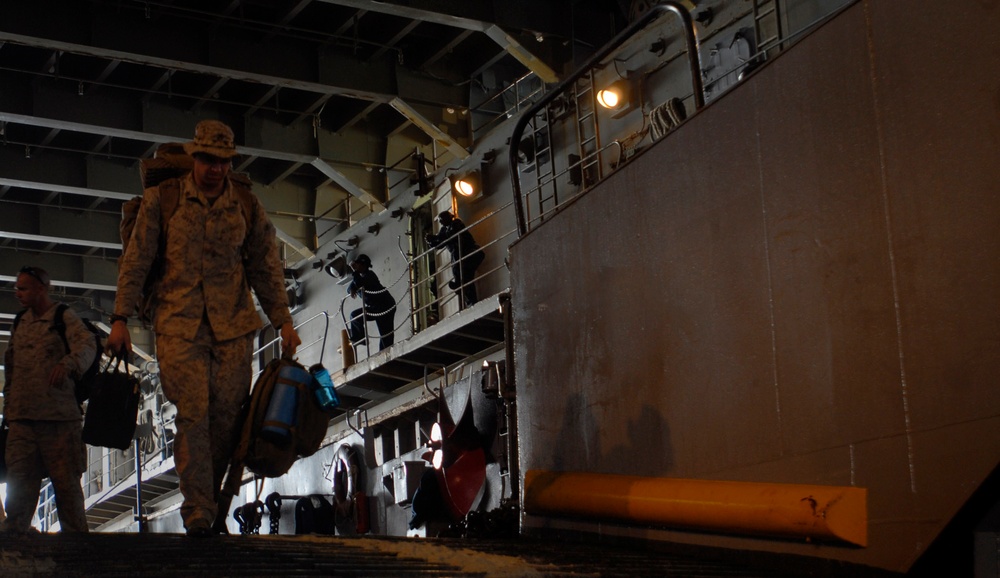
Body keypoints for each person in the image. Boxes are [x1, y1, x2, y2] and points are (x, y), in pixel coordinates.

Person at [105, 120, 301, 537]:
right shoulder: (164, 199)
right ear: (194, 157)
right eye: (208, 160)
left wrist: (284, 323)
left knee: (228, 422)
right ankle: (198, 512)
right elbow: (137, 260)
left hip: (233, 329)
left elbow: (265, 266)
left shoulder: (245, 204)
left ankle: (213, 505)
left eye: (223, 161)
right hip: (178, 326)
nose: (215, 168)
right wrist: (120, 319)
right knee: (193, 416)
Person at [1, 266, 95, 533]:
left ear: (41, 288)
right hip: (22, 423)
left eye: (23, 288)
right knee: (18, 489)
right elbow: (11, 369)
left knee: (66, 489)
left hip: (59, 422)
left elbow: (88, 344)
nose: (17, 293)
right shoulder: (20, 322)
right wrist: (9, 411)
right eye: (17, 287)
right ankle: (15, 550)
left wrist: (68, 364)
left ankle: (76, 551)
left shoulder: (63, 318)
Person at [426, 211, 485, 308]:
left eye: (442, 220)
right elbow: (440, 244)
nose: (441, 222)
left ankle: (460, 285)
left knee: (462, 274)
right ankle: (471, 300)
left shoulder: (457, 223)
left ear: (449, 217)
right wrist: (431, 242)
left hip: (471, 253)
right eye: (440, 221)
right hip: (462, 257)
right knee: (466, 279)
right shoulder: (444, 230)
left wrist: (435, 237)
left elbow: (451, 235)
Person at [347, 254, 397, 351]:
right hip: (375, 307)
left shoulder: (370, 275)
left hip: (385, 305)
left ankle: (385, 353)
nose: (357, 267)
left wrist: (354, 272)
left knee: (385, 334)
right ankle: (360, 338)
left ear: (363, 265)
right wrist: (353, 287)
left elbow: (359, 283)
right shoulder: (360, 277)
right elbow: (349, 289)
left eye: (358, 265)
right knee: (355, 316)